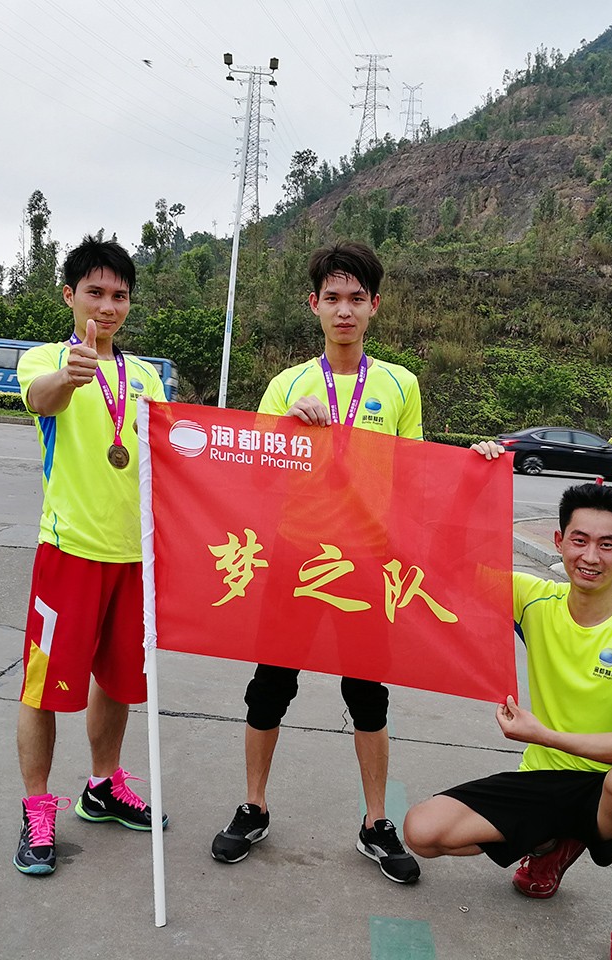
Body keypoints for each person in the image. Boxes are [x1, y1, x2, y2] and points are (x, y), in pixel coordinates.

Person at [210, 241, 425, 884]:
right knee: (269, 687)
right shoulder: (287, 386)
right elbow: (255, 474)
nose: (344, 310)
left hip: (364, 561)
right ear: (314, 305)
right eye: (333, 298)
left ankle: (376, 822)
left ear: (375, 306)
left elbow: (416, 475)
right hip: (296, 558)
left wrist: (479, 466)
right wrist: (285, 430)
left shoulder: (400, 385)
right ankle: (253, 806)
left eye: (357, 298)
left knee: (367, 694)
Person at [403, 482, 612, 960]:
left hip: (606, 792)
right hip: (542, 778)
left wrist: (545, 734)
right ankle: (550, 842)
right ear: (558, 541)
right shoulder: (533, 599)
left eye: (606, 544)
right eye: (579, 540)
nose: (590, 557)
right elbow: (440, 562)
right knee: (421, 831)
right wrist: (474, 481)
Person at [11, 236, 167, 876]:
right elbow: (40, 399)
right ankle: (37, 808)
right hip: (69, 552)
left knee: (120, 683)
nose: (107, 306)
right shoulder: (44, 360)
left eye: (119, 295)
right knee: (44, 688)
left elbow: (177, 450)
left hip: (135, 558)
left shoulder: (146, 376)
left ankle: (103, 786)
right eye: (95, 292)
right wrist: (68, 377)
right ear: (69, 295)